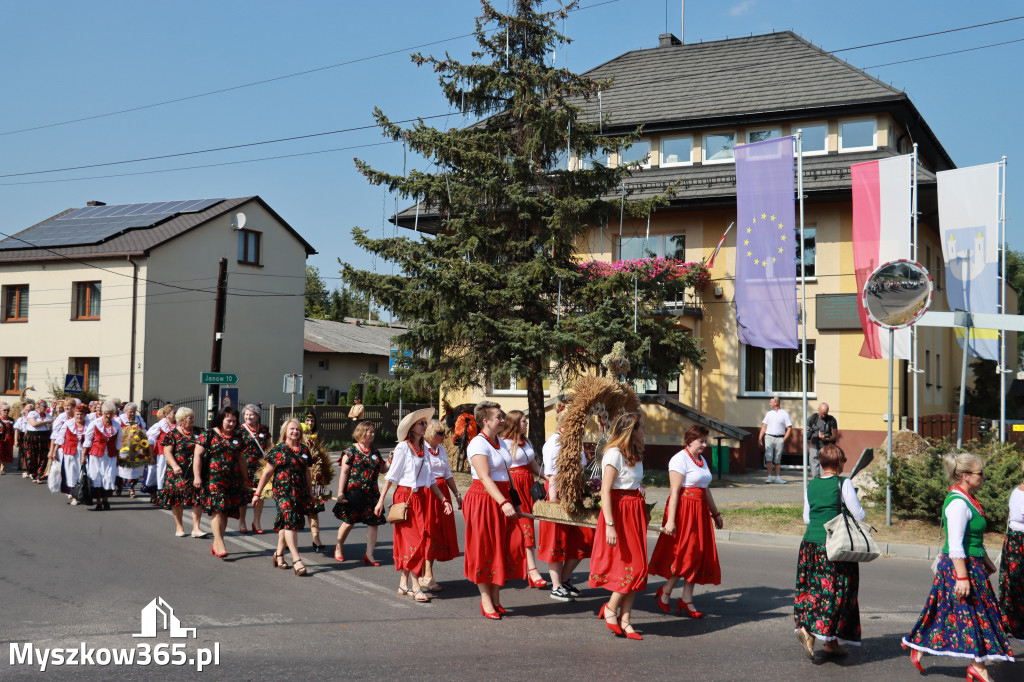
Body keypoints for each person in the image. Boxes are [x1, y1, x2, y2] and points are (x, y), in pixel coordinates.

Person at [902, 452, 1015, 680]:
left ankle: (921, 645)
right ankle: (978, 666)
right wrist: (962, 577)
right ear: (965, 475)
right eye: (979, 473)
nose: (983, 476)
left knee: (946, 610)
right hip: (959, 567)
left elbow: (970, 538)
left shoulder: (969, 498)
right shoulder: (957, 503)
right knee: (977, 614)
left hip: (971, 565)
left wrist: (982, 561)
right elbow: (955, 544)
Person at [792, 444, 864, 660]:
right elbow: (859, 515)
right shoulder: (843, 483)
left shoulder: (812, 485)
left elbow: (807, 518)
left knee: (813, 589)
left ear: (822, 463)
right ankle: (810, 631)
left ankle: (830, 643)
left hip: (809, 545)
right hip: (833, 546)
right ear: (839, 462)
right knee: (838, 593)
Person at [374, 408, 452, 603]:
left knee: (420, 540)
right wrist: (381, 500)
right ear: (411, 428)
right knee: (415, 542)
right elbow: (391, 477)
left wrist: (443, 499)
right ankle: (416, 586)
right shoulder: (402, 448)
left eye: (425, 423)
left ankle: (403, 582)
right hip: (405, 497)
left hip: (420, 498)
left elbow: (430, 480)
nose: (425, 426)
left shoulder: (424, 449)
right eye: (422, 423)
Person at [649, 424, 724, 618]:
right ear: (690, 441)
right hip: (684, 512)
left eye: (706, 441)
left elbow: (705, 489)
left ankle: (686, 599)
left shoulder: (701, 460)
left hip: (699, 512)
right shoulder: (679, 459)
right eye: (701, 441)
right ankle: (665, 591)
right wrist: (671, 521)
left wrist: (715, 514)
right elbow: (674, 493)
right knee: (685, 556)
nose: (705, 445)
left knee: (697, 556)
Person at [589, 412, 649, 640]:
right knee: (632, 568)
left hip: (634, 511)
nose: (645, 432)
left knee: (639, 568)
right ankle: (611, 609)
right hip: (620, 511)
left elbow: (634, 484)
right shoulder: (614, 454)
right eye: (642, 427)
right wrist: (610, 525)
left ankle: (626, 620)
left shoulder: (634, 453)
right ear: (631, 430)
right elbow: (605, 490)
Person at [463, 401, 525, 619]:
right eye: (499, 417)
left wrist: (514, 501)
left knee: (503, 546)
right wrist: (503, 502)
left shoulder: (500, 442)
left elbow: (507, 473)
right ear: (485, 421)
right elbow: (485, 477)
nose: (502, 420)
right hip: (483, 499)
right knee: (485, 547)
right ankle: (486, 599)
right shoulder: (477, 444)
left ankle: (497, 596)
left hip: (503, 496)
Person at [538, 409, 593, 601]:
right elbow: (552, 476)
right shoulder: (554, 443)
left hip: (574, 494)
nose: (583, 429)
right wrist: (554, 504)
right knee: (557, 541)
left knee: (583, 539)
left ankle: (565, 579)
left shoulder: (574, 442)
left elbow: (582, 469)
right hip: (558, 493)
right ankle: (556, 586)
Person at [252, 419, 312, 577]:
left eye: (297, 429)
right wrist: (257, 493)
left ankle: (278, 554)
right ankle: (297, 560)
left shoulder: (304, 450)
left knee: (286, 523)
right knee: (290, 521)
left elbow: (307, 472)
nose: (295, 432)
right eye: (292, 429)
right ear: (285, 431)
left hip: (299, 492)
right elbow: (267, 473)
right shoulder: (279, 450)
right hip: (283, 492)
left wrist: (310, 492)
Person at [192, 407, 249, 559]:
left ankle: (218, 543)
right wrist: (197, 476)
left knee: (224, 513)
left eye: (234, 421)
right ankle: (220, 543)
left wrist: (245, 479)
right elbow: (197, 455)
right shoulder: (209, 434)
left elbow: (242, 459)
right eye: (228, 420)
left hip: (232, 480)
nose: (231, 424)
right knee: (217, 510)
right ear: (221, 419)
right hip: (213, 479)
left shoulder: (238, 436)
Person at [499, 410, 547, 588]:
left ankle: (529, 570)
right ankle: (527, 570)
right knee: (513, 528)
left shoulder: (526, 441)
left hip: (526, 484)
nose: (526, 424)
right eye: (524, 421)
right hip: (512, 485)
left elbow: (532, 465)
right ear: (514, 423)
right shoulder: (504, 443)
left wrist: (548, 478)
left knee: (526, 526)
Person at [333, 420, 389, 565]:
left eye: (373, 431)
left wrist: (390, 460)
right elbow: (344, 473)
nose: (372, 434)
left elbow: (383, 469)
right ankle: (339, 548)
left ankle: (369, 555)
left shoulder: (375, 452)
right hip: (354, 493)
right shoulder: (350, 451)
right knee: (349, 522)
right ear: (361, 433)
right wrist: (340, 493)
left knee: (373, 522)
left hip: (371, 493)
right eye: (370, 431)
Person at [420, 419, 461, 592]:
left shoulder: (442, 449)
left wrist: (456, 493)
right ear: (431, 435)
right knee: (429, 531)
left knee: (438, 532)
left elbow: (447, 473)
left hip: (442, 491)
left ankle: (426, 573)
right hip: (428, 491)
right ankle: (427, 575)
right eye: (440, 433)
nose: (444, 436)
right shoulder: (422, 449)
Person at [158, 407, 207, 538]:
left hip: (195, 470)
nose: (192, 419)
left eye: (192, 417)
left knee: (197, 498)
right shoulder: (173, 434)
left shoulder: (199, 432)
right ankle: (179, 526)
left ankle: (196, 528)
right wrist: (174, 465)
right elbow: (167, 452)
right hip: (178, 471)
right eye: (189, 417)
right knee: (177, 499)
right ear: (181, 420)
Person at [999, 457, 1024, 641]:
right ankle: (1014, 626)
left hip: (1016, 541)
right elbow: (1018, 516)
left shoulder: (1017, 490)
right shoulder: (1019, 493)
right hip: (1018, 543)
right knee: (1016, 585)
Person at [238, 404, 272, 534]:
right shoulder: (240, 430)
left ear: (257, 416)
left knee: (260, 494)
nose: (248, 416)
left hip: (260, 468)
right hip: (244, 466)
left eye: (251, 414)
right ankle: (242, 521)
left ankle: (256, 521)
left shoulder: (263, 430)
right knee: (244, 495)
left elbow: (269, 448)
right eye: (246, 414)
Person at [82, 402, 122, 510]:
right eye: (106, 414)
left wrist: (118, 457)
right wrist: (83, 456)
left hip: (110, 455)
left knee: (109, 477)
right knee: (96, 477)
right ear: (102, 413)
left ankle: (106, 500)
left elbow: (118, 443)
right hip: (96, 455)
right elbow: (88, 441)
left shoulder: (117, 425)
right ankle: (98, 502)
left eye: (110, 414)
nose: (108, 416)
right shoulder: (95, 424)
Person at [300, 411, 332, 552]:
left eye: (312, 421)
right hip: (299, 481)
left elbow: (321, 462)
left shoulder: (315, 439)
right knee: (295, 511)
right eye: (307, 421)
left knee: (314, 510)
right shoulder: (296, 438)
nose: (309, 423)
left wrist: (323, 479)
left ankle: (316, 539)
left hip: (315, 482)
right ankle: (287, 540)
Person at [53, 404, 87, 503]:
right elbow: (60, 438)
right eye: (77, 414)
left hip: (84, 453)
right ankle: (73, 495)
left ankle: (82, 493)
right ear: (74, 414)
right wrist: (54, 451)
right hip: (70, 453)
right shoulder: (68, 424)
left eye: (81, 414)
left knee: (82, 474)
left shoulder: (89, 424)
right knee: (71, 474)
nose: (79, 417)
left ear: (85, 415)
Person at [144, 405, 176, 504]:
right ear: (166, 415)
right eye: (173, 413)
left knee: (173, 476)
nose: (175, 414)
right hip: (162, 454)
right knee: (162, 474)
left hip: (175, 454)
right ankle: (161, 496)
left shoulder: (179, 425)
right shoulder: (160, 425)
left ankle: (170, 497)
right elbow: (151, 441)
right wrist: (151, 456)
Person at [115, 402, 147, 497]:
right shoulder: (120, 419)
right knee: (121, 467)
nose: (132, 414)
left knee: (134, 468)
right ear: (125, 411)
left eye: (134, 412)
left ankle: (131, 489)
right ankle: (119, 486)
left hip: (135, 447)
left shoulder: (139, 419)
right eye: (130, 412)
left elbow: (143, 430)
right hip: (123, 446)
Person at [758, 396, 792, 484]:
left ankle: (777, 477)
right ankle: (769, 476)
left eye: (771, 402)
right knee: (768, 458)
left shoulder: (785, 414)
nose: (770, 404)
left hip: (779, 438)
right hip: (769, 437)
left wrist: (783, 439)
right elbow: (764, 426)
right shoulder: (769, 413)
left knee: (777, 459)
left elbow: (789, 428)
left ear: (776, 403)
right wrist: (760, 437)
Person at [23, 400, 53, 483]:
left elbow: (50, 428)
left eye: (46, 406)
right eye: (44, 406)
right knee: (31, 456)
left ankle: (40, 475)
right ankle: (33, 473)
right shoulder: (32, 414)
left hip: (44, 436)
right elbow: (34, 424)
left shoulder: (48, 415)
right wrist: (47, 422)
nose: (45, 408)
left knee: (43, 456)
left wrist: (51, 437)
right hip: (32, 436)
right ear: (38, 407)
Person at [806, 403, 838, 479]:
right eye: (821, 413)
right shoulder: (813, 418)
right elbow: (805, 430)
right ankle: (816, 481)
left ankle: (823, 481)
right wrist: (807, 432)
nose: (823, 415)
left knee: (824, 468)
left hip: (826, 448)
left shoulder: (831, 420)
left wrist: (825, 438)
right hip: (814, 446)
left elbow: (834, 436)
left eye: (825, 413)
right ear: (818, 409)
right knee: (814, 466)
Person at [0, 402, 13, 475]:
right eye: (4, 410)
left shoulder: (11, 419)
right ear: (1, 411)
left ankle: (2, 469)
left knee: (5, 455)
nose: (6, 412)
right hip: (0, 439)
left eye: (8, 410)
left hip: (8, 440)